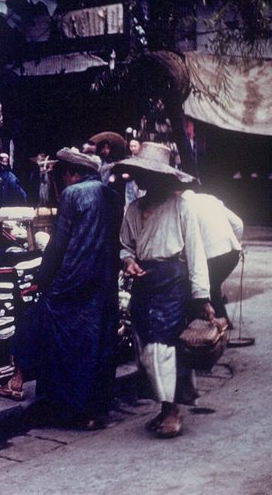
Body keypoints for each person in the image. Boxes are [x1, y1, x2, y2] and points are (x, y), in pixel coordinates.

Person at [0, 147, 122, 430]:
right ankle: (93, 410)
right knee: (95, 344)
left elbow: (58, 244)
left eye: (64, 175)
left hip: (72, 281)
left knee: (59, 338)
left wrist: (42, 276)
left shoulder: (73, 194)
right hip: (102, 282)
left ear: (72, 174)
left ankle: (64, 408)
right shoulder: (111, 196)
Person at [115, 141, 215, 438]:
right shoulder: (133, 209)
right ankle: (163, 407)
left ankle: (172, 411)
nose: (144, 180)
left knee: (163, 345)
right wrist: (128, 261)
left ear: (164, 177)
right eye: (141, 175)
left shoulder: (181, 206)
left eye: (151, 175)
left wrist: (203, 297)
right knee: (145, 345)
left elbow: (196, 252)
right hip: (144, 281)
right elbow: (124, 246)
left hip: (173, 280)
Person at [180, 189, 244, 327]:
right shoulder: (211, 198)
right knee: (213, 286)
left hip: (211, 254)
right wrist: (236, 242)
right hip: (232, 252)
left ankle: (218, 323)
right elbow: (239, 224)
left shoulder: (183, 206)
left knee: (204, 287)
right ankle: (223, 323)